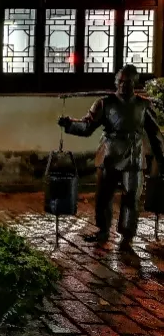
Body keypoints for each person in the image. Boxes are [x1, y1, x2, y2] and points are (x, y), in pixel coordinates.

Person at [58, 64, 164, 250]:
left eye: (127, 82)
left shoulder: (143, 105)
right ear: (116, 82)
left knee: (132, 198)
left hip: (133, 157)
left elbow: (155, 135)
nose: (123, 85)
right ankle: (103, 230)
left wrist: (162, 159)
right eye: (120, 81)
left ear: (134, 83)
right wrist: (69, 125)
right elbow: (87, 127)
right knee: (104, 196)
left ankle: (127, 236)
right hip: (109, 154)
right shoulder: (104, 103)